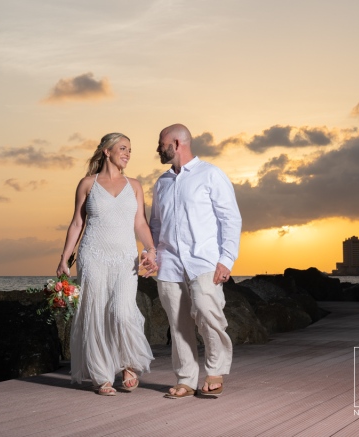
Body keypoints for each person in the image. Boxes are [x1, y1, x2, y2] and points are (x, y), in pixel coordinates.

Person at [56, 132, 157, 396]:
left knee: (122, 311)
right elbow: (77, 222)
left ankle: (128, 361)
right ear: (106, 151)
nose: (127, 153)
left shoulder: (134, 185)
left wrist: (152, 250)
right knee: (96, 313)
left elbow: (140, 223)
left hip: (125, 257)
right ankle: (101, 376)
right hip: (93, 256)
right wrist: (65, 258)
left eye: (130, 150)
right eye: (123, 148)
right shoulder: (87, 184)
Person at [147, 124, 242, 399]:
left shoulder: (211, 174)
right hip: (169, 262)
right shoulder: (162, 182)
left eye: (161, 142)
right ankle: (186, 378)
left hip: (204, 260)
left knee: (207, 310)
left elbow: (230, 219)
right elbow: (155, 224)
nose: (157, 148)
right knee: (177, 322)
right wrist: (151, 254)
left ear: (177, 143)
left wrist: (226, 259)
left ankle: (215, 371)